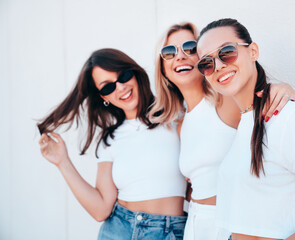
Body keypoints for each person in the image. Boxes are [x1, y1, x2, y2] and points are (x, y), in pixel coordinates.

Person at [196, 18, 295, 240]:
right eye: (206, 64)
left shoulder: (289, 118)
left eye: (226, 52)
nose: (218, 66)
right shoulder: (245, 124)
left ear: (253, 52)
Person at [148, 22, 295, 240]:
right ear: (162, 68)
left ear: (203, 58)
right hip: (195, 226)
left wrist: (284, 89)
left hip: (230, 224)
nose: (180, 56)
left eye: (190, 48)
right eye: (169, 52)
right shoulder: (181, 124)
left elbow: (263, 97)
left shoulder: (228, 102)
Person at [38, 48, 187, 240]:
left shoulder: (176, 116)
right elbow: (101, 210)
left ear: (134, 73)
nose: (120, 88)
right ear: (104, 97)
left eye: (123, 76)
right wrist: (62, 162)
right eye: (108, 87)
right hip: (119, 231)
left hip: (172, 231)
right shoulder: (110, 140)